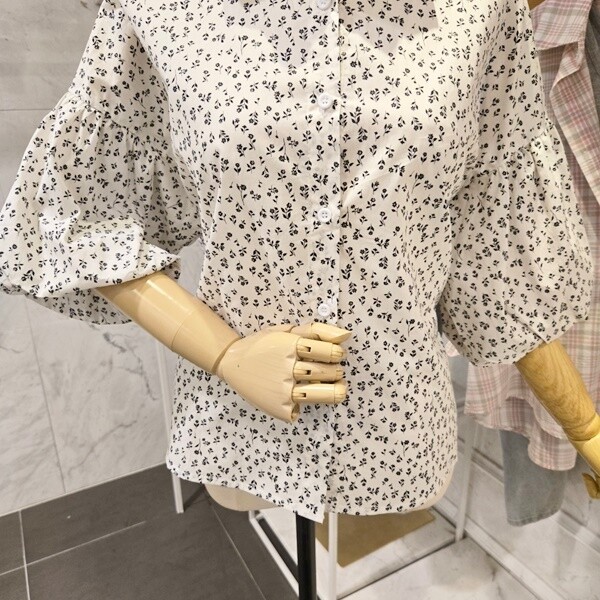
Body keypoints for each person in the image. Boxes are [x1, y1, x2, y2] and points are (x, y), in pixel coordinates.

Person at [0, 0, 596, 521]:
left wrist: (588, 430)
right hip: (242, 430)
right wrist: (226, 355)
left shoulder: (479, 10)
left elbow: (499, 249)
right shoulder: (160, 9)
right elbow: (74, 215)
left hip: (397, 432)